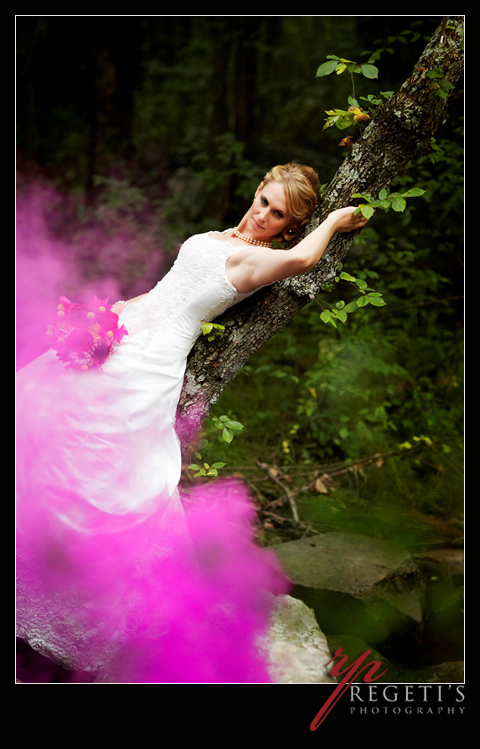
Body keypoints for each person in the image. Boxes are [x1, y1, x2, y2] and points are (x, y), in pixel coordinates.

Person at [15, 163, 368, 683]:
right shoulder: (221, 237)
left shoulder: (259, 259)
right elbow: (163, 289)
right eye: (264, 200)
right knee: (38, 403)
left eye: (279, 214)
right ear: (256, 190)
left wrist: (335, 219)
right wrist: (101, 314)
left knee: (100, 462)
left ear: (290, 223)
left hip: (152, 361)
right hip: (128, 329)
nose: (264, 214)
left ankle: (74, 601)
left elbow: (303, 257)